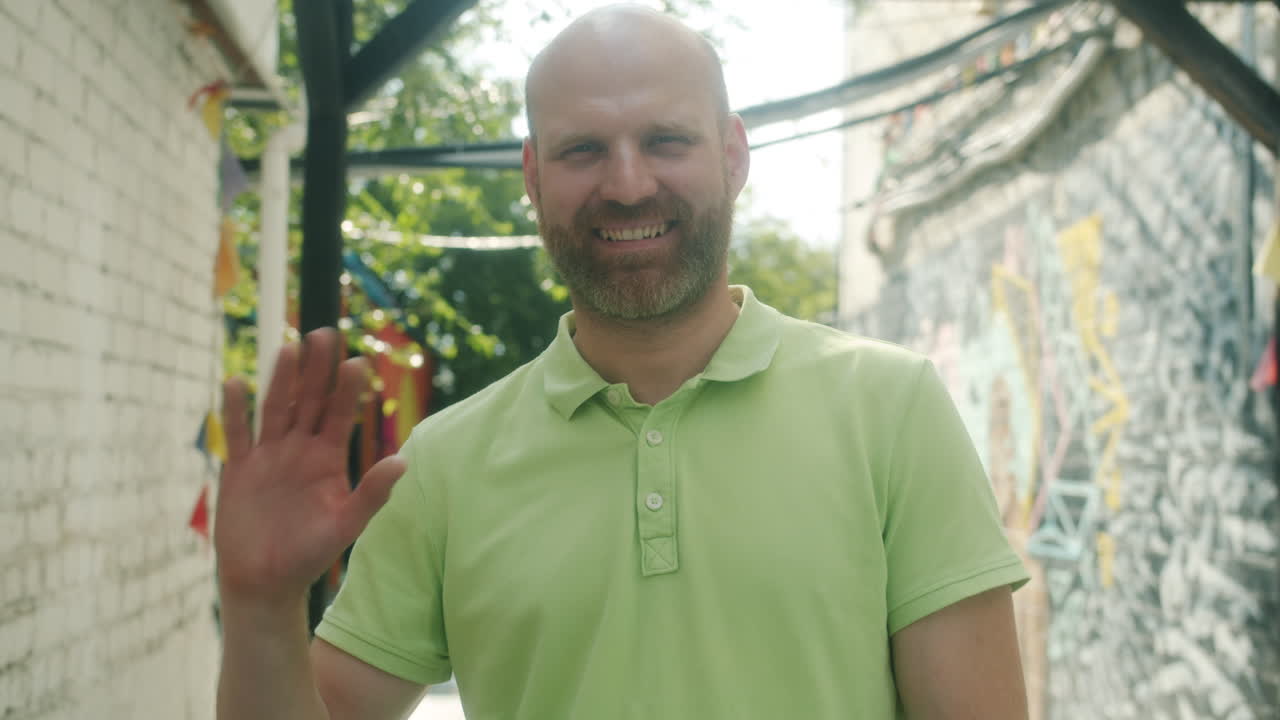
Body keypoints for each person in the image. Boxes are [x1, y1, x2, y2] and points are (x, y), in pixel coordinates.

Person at [214, 5, 1031, 719]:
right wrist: (258, 607)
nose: (629, 183)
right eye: (583, 151)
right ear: (533, 178)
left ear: (734, 156)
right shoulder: (440, 469)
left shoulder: (890, 410)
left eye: (665, 139)